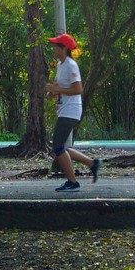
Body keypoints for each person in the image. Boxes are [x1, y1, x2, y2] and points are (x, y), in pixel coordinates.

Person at [45, 33, 98, 191]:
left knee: (58, 147)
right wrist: (53, 92)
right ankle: (92, 163)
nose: (53, 48)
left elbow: (78, 89)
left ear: (63, 48)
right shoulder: (61, 65)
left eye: (55, 45)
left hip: (71, 110)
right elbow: (60, 88)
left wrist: (58, 89)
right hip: (64, 110)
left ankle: (73, 182)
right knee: (61, 147)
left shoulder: (70, 65)